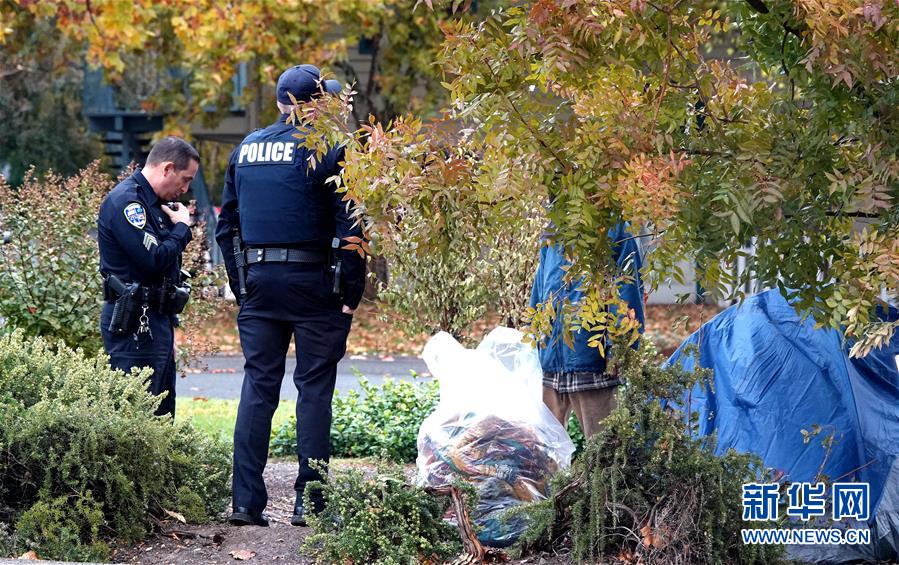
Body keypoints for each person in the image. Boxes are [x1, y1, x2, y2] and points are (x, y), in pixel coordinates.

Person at [215, 64, 366, 528]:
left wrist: (242, 286)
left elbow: (227, 227)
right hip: (314, 283)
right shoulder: (331, 151)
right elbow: (352, 228)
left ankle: (245, 504)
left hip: (259, 284)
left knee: (258, 388)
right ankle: (311, 503)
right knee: (314, 390)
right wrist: (351, 292)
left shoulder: (245, 149)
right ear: (315, 105)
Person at [97, 136, 198, 418]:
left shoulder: (155, 205)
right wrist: (181, 230)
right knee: (137, 415)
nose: (185, 189)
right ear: (167, 168)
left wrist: (169, 329)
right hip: (133, 322)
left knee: (162, 413)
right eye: (185, 179)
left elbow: (165, 270)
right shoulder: (127, 203)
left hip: (156, 319)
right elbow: (152, 261)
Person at [530, 223, 645, 437]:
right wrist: (535, 337)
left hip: (592, 360)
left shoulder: (614, 229)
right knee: (546, 453)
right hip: (553, 361)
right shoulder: (554, 230)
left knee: (603, 450)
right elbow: (540, 291)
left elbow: (627, 292)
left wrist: (619, 348)